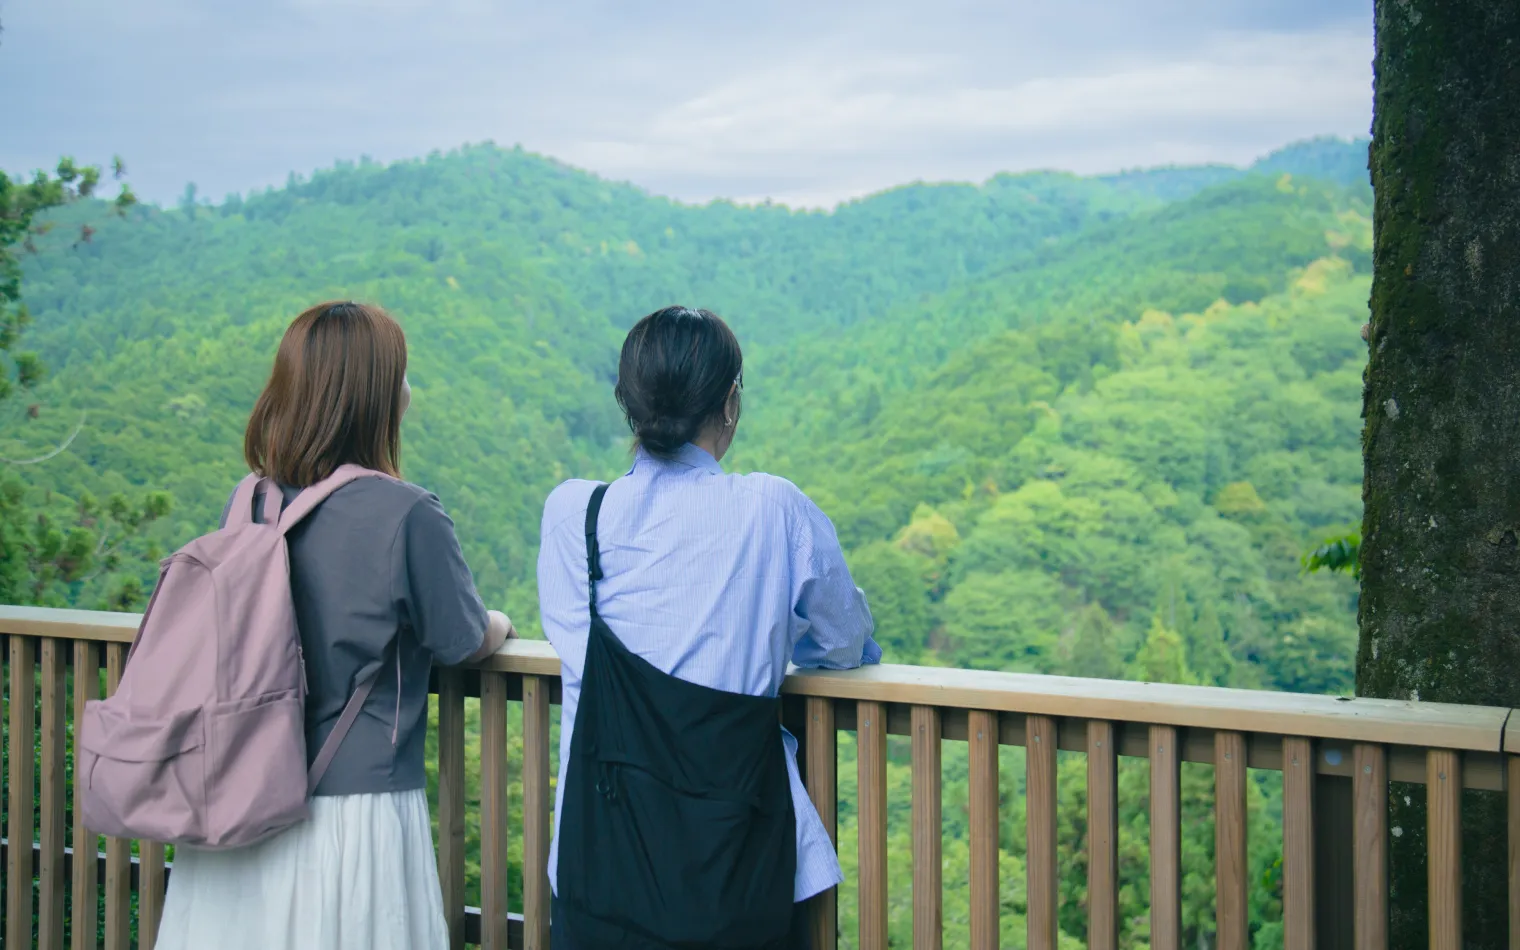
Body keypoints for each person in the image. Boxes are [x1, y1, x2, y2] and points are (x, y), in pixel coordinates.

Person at [154, 301, 513, 950]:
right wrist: (502, 621)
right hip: (353, 811)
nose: (410, 391)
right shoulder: (406, 513)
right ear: (374, 397)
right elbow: (462, 638)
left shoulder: (250, 499)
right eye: (401, 375)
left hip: (236, 792)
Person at [537, 306, 880, 950]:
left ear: (627, 404)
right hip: (733, 868)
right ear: (730, 402)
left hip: (596, 866)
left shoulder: (572, 515)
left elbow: (581, 640)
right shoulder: (771, 507)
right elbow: (842, 641)